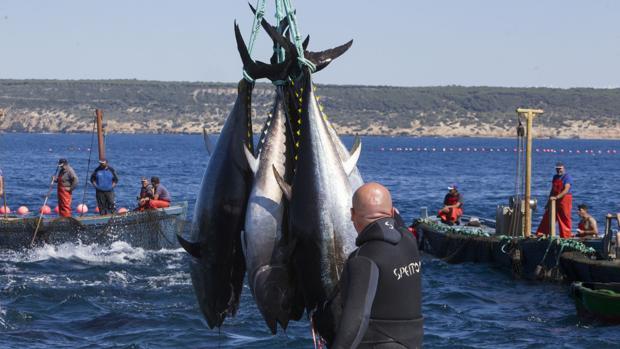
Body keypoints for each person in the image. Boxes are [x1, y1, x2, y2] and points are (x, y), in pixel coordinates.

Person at [315, 182, 423, 348]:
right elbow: (396, 221)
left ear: (352, 214)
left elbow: (357, 318)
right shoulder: (409, 240)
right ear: (391, 212)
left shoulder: (363, 259)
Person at [536, 162, 573, 238]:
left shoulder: (567, 177)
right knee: (548, 215)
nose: (559, 170)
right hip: (554, 200)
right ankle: (542, 233)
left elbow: (566, 189)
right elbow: (552, 190)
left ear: (563, 168)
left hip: (564, 200)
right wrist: (548, 203)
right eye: (557, 169)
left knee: (564, 217)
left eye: (560, 168)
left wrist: (556, 197)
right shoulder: (555, 177)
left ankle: (565, 236)